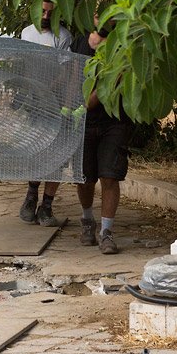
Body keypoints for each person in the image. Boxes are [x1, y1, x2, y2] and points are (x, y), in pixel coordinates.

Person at [70, 22, 134, 254]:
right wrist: (70, 108)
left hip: (114, 120)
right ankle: (88, 220)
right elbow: (73, 77)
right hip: (84, 121)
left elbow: (112, 81)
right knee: (85, 178)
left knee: (109, 176)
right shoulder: (78, 42)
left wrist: (85, 105)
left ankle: (107, 232)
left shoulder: (122, 43)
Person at [19, 0, 72, 226]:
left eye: (51, 12)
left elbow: (68, 71)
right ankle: (31, 195)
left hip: (56, 101)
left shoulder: (63, 36)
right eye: (42, 11)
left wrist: (52, 90)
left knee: (57, 156)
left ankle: (47, 205)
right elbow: (23, 66)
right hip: (34, 103)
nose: (46, 15)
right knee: (35, 150)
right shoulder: (26, 33)